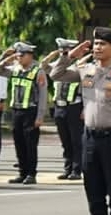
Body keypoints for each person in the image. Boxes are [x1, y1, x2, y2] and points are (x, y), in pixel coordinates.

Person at [50, 27, 111, 215]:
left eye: (103, 44)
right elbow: (55, 74)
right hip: (89, 137)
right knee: (93, 189)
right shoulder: (86, 70)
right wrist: (69, 56)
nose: (97, 47)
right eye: (96, 44)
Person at [0, 41, 49, 185]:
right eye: (17, 55)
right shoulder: (15, 69)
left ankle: (31, 174)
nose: (18, 58)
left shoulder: (38, 71)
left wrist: (40, 116)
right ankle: (22, 172)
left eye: (21, 55)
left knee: (30, 144)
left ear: (30, 56)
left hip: (31, 112)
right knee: (19, 143)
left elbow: (43, 95)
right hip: (16, 111)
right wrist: (6, 57)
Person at [43, 37, 84, 180]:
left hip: (74, 106)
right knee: (65, 141)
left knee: (76, 141)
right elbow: (44, 66)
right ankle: (67, 168)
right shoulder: (57, 67)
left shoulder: (80, 67)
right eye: (61, 51)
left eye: (66, 51)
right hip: (59, 107)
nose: (63, 54)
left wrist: (84, 109)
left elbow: (87, 90)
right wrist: (51, 56)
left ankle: (76, 170)